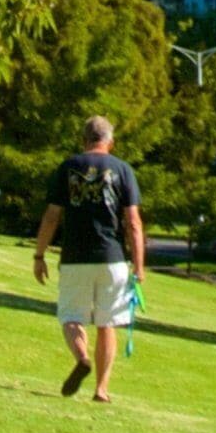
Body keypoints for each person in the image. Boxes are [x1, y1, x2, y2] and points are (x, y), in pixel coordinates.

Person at [31, 114, 146, 401]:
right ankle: (101, 389)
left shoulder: (68, 167)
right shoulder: (123, 170)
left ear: (84, 140)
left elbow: (51, 216)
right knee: (107, 323)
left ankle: (82, 356)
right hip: (113, 259)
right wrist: (139, 266)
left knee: (71, 317)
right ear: (111, 142)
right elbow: (133, 222)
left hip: (75, 257)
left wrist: (39, 254)